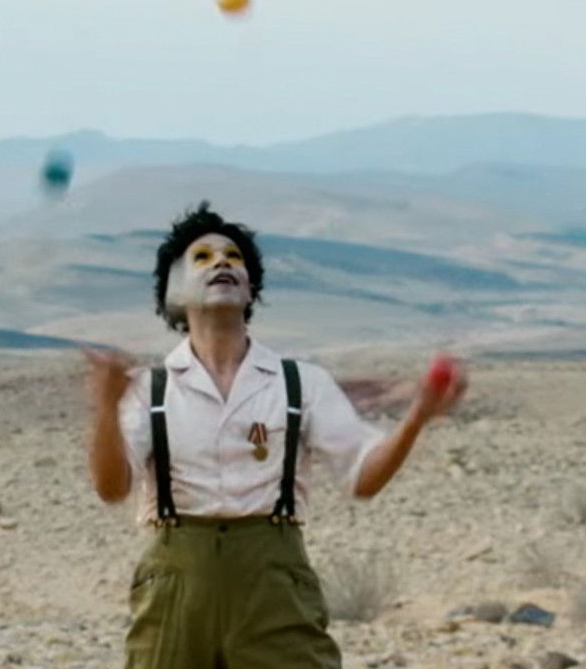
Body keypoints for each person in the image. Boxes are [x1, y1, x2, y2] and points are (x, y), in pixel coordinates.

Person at [84, 201, 467, 668]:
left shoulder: (301, 383)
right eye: (202, 257)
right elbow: (112, 488)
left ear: (251, 288)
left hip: (274, 582)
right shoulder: (149, 390)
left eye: (234, 257)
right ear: (173, 292)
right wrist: (106, 409)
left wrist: (417, 417)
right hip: (175, 585)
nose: (222, 262)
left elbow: (364, 478)